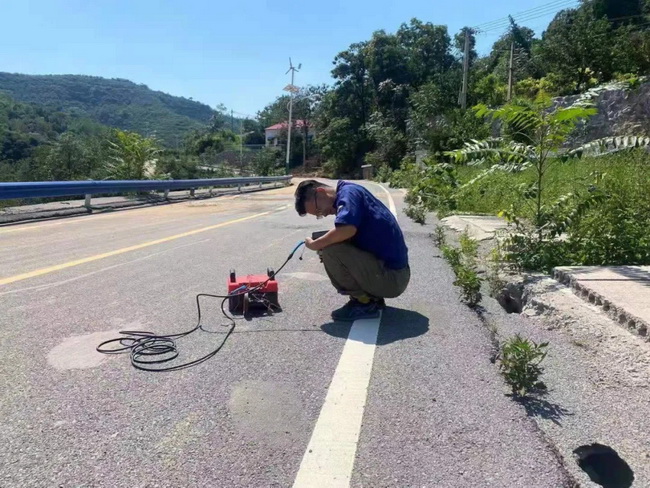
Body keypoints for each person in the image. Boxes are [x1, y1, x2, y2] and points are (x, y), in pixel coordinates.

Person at [294, 179, 410, 321]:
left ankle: (364, 303)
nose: (323, 214)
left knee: (330, 249)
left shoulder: (348, 194)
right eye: (318, 215)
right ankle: (372, 298)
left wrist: (315, 244)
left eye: (318, 210)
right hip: (392, 274)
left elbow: (347, 229)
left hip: (393, 279)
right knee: (331, 241)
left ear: (321, 192)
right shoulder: (350, 192)